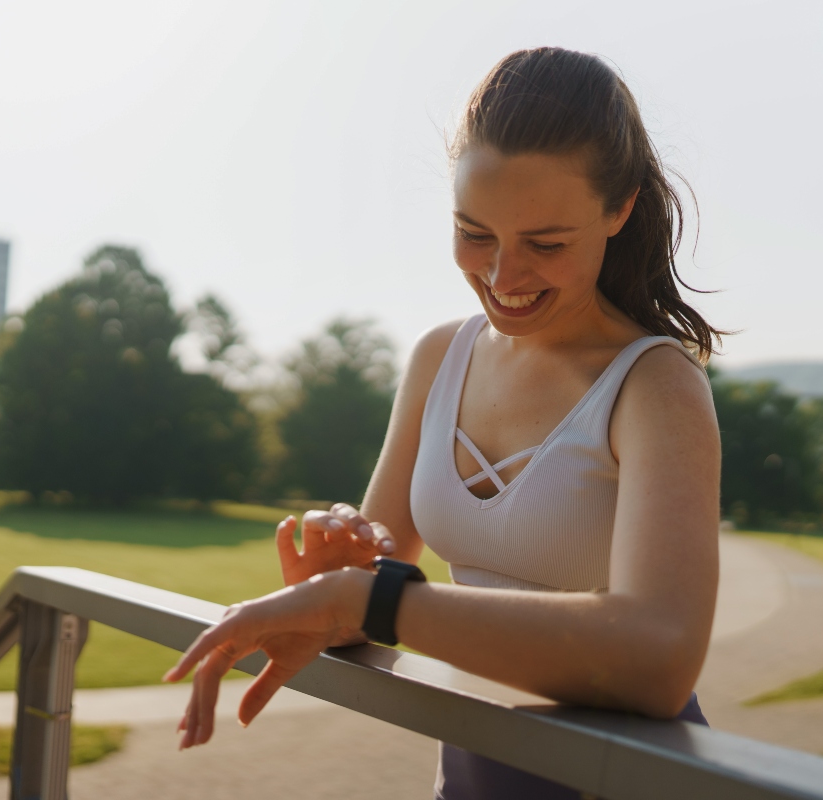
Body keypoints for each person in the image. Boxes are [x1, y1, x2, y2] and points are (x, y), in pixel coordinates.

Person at [163, 47, 723, 799]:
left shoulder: (656, 385)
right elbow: (378, 573)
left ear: (619, 209)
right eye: (475, 232)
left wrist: (372, 601)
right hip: (472, 770)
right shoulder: (440, 356)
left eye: (546, 245)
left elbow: (659, 662)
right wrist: (339, 579)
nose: (502, 276)